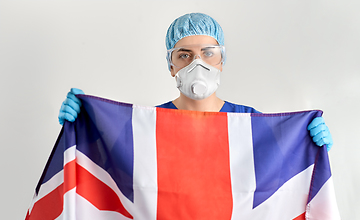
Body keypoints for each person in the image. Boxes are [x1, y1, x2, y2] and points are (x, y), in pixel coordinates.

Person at [58, 13, 333, 151]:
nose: (197, 64)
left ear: (221, 61)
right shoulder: (149, 125)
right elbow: (109, 165)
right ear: (171, 65)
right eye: (185, 55)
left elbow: (282, 176)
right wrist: (84, 124)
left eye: (208, 53)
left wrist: (306, 142)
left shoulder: (250, 124)